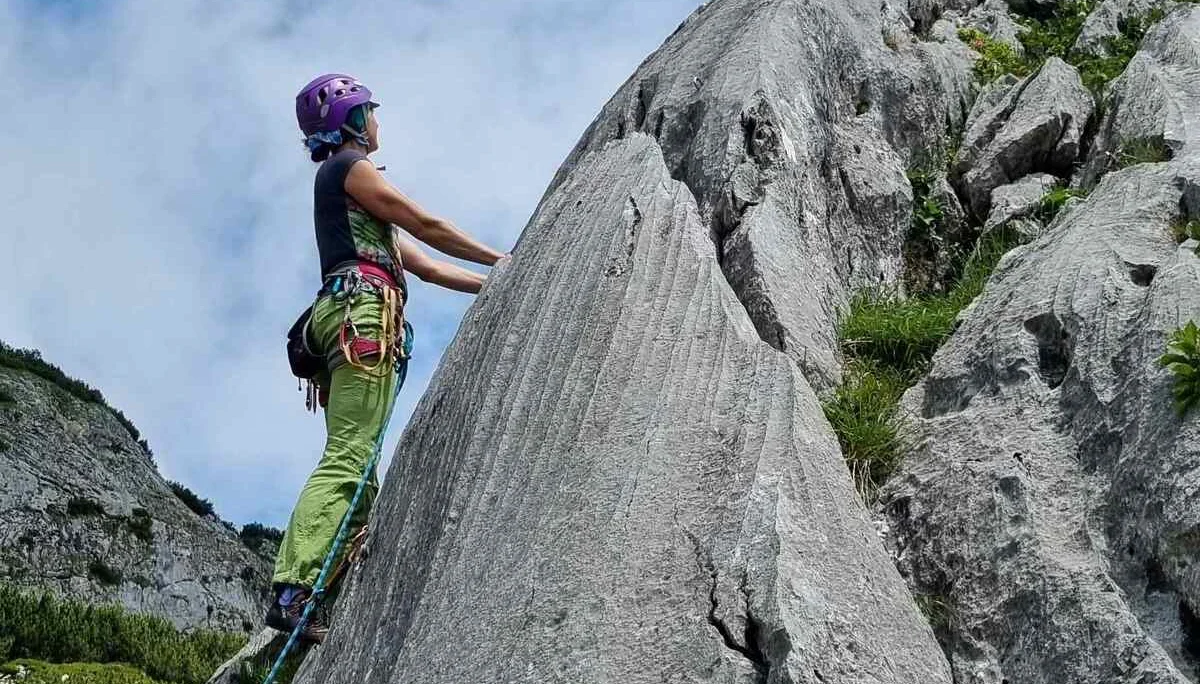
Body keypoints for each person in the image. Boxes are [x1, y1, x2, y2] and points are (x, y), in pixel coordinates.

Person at [267, 73, 506, 643]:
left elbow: (423, 264)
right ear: (351, 120)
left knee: (360, 466)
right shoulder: (350, 169)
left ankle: (320, 586)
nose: (377, 120)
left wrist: (495, 283)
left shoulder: (346, 197)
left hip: (345, 315)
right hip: (363, 316)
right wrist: (509, 259)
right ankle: (294, 587)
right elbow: (423, 222)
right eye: (369, 110)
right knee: (349, 456)